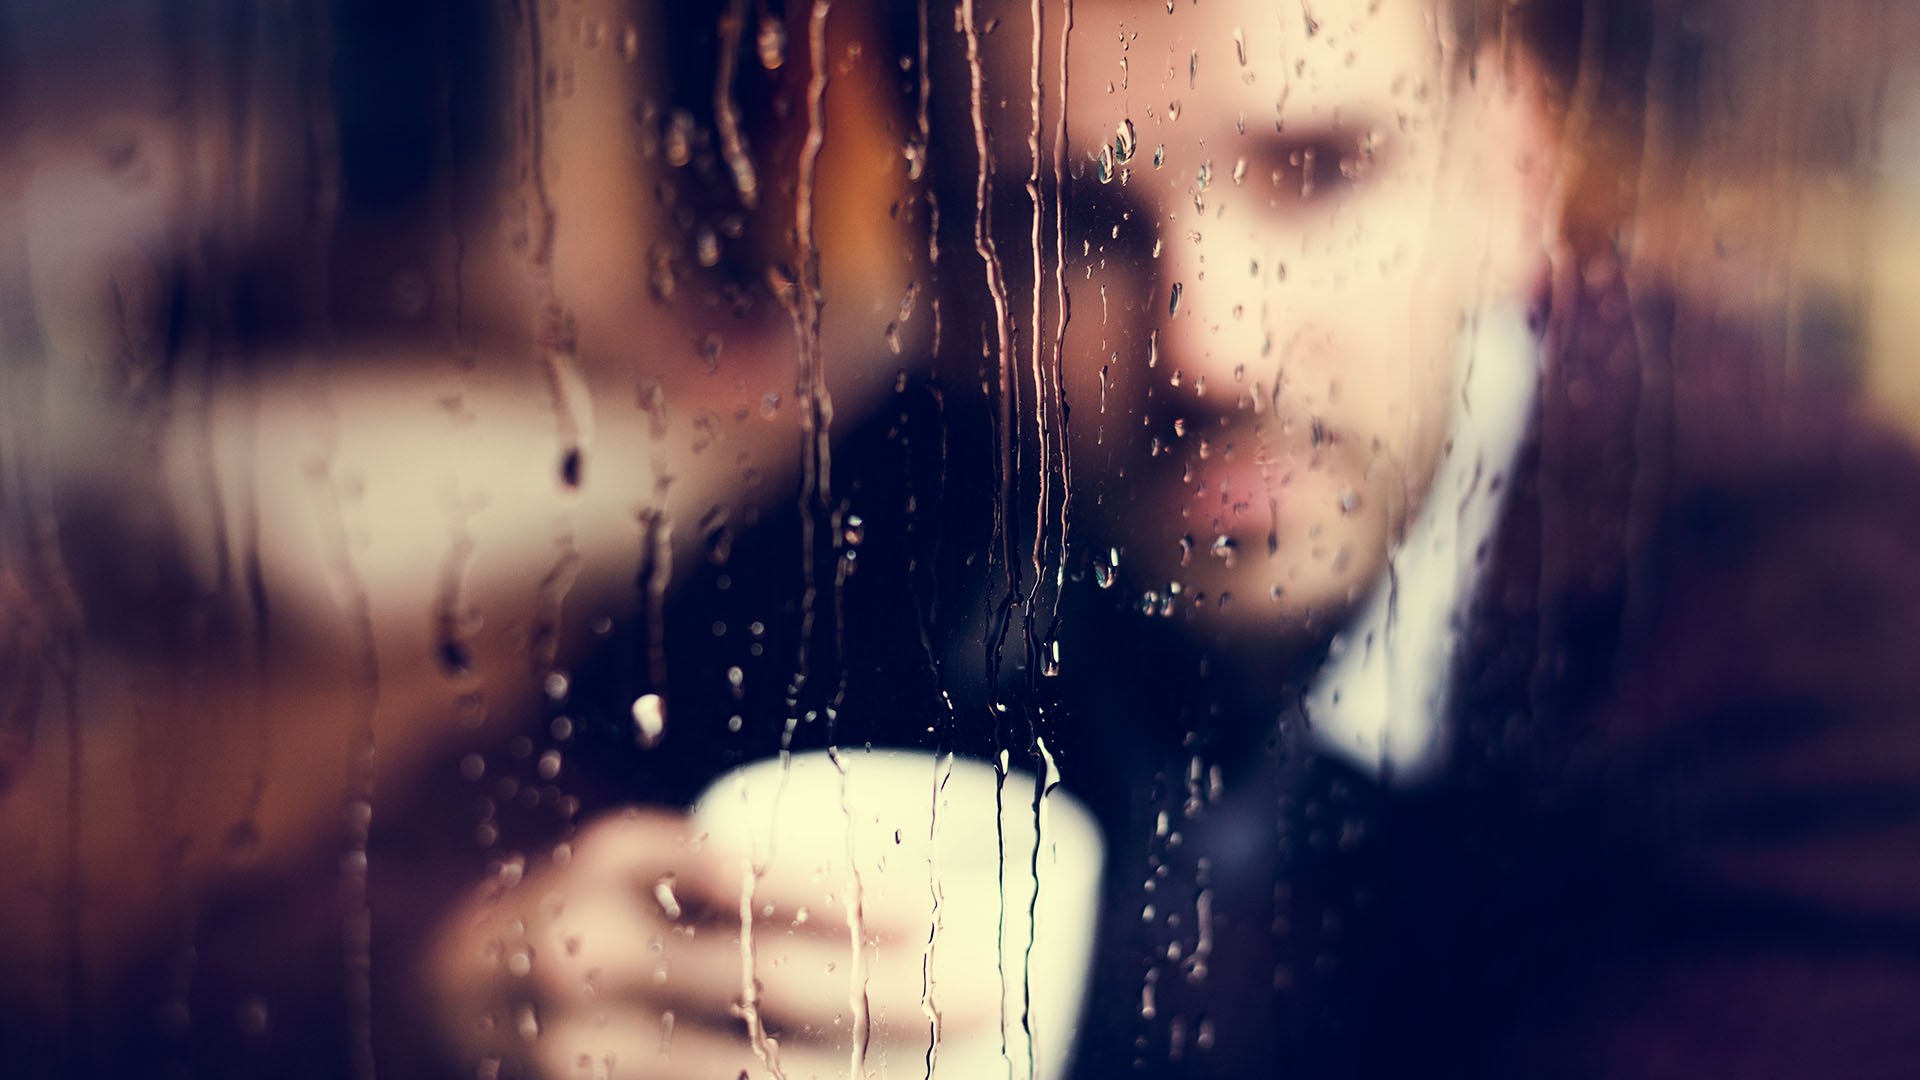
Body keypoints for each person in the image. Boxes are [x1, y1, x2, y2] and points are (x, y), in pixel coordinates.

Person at [4, 1, 1917, 1079]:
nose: (1211, 347)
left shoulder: (1832, 615)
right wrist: (465, 988)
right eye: (1072, 224)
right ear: (938, 261)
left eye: (1319, 171)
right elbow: (248, 948)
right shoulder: (943, 481)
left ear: (1512, 174)